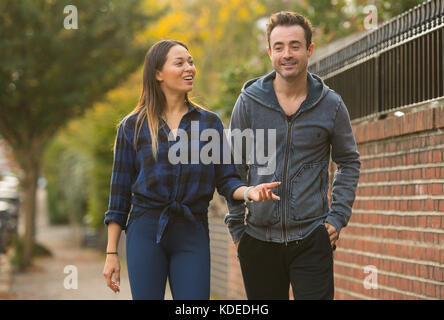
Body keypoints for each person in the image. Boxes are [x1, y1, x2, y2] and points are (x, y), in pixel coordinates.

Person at [102, 40, 280, 300]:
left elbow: (227, 179)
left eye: (191, 61)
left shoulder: (209, 123)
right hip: (145, 230)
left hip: (191, 229)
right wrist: (111, 254)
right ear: (157, 73)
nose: (190, 68)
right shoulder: (132, 127)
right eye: (180, 63)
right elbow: (118, 197)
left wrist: (250, 191)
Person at [224, 11, 361, 300]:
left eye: (295, 46)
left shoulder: (331, 105)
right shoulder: (248, 103)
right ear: (270, 52)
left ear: (309, 50)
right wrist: (238, 229)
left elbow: (348, 161)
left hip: (312, 238)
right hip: (258, 239)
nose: (287, 54)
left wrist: (337, 217)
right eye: (279, 47)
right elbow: (232, 169)